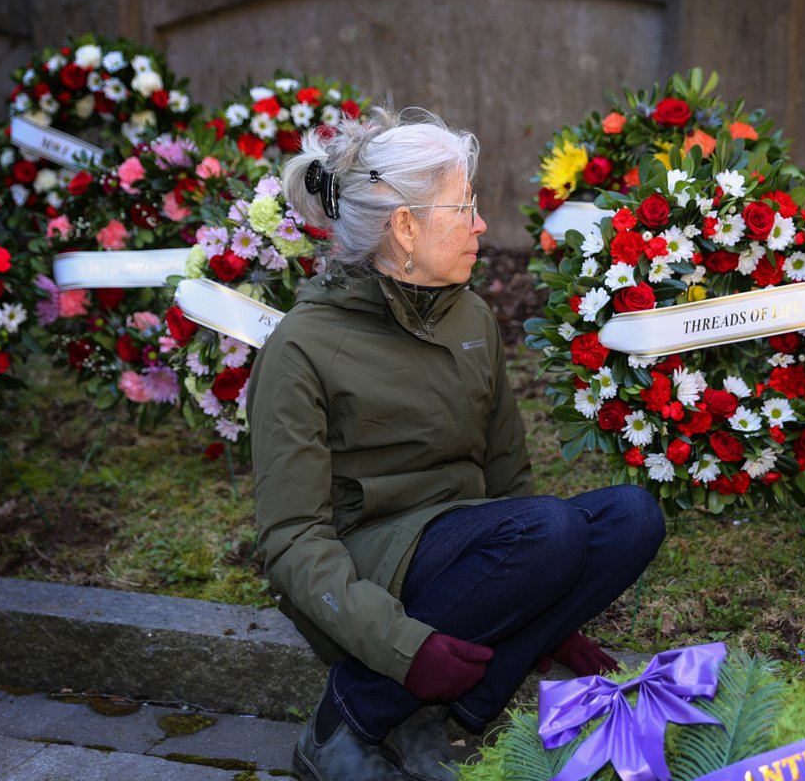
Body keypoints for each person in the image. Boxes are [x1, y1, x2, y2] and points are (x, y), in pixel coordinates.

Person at [247, 107, 665, 781]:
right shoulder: (302, 346)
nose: (480, 226)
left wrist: (548, 604)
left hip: (465, 544)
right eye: (463, 207)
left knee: (631, 518)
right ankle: (345, 722)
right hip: (368, 562)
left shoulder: (468, 316)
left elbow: (509, 480)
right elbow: (291, 538)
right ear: (405, 228)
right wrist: (404, 646)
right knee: (553, 531)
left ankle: (435, 708)